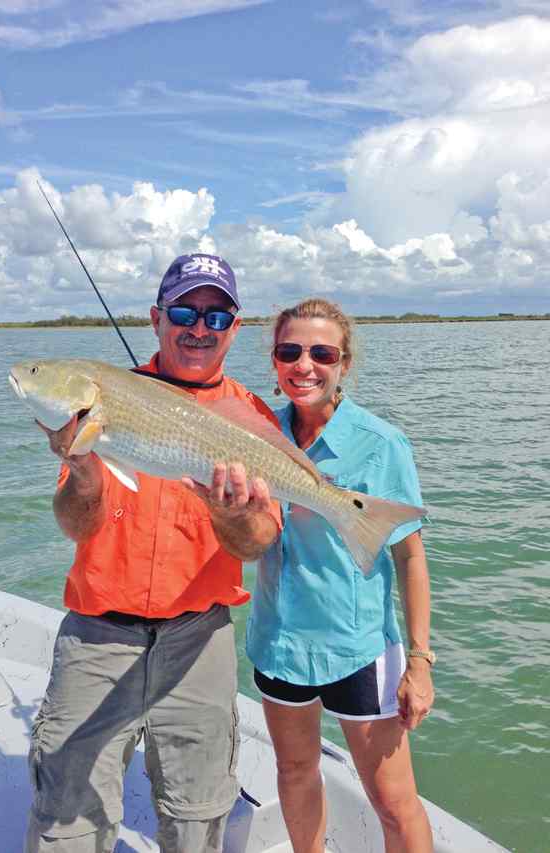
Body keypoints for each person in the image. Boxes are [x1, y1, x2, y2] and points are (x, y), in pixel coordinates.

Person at [25, 253, 281, 853]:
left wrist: (230, 514)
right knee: (66, 817)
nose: (199, 328)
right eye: (185, 312)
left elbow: (258, 541)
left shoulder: (253, 418)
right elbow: (75, 524)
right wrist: (81, 467)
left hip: (200, 639)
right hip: (97, 635)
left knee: (199, 817)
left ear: (235, 328)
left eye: (216, 318)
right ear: (156, 318)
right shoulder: (107, 398)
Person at [246, 298, 435, 853]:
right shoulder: (255, 431)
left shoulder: (382, 445)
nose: (305, 365)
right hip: (278, 643)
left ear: (344, 363)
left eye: (322, 353)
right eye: (290, 351)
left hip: (360, 650)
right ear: (275, 363)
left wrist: (419, 662)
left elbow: (411, 558)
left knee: (394, 804)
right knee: (295, 772)